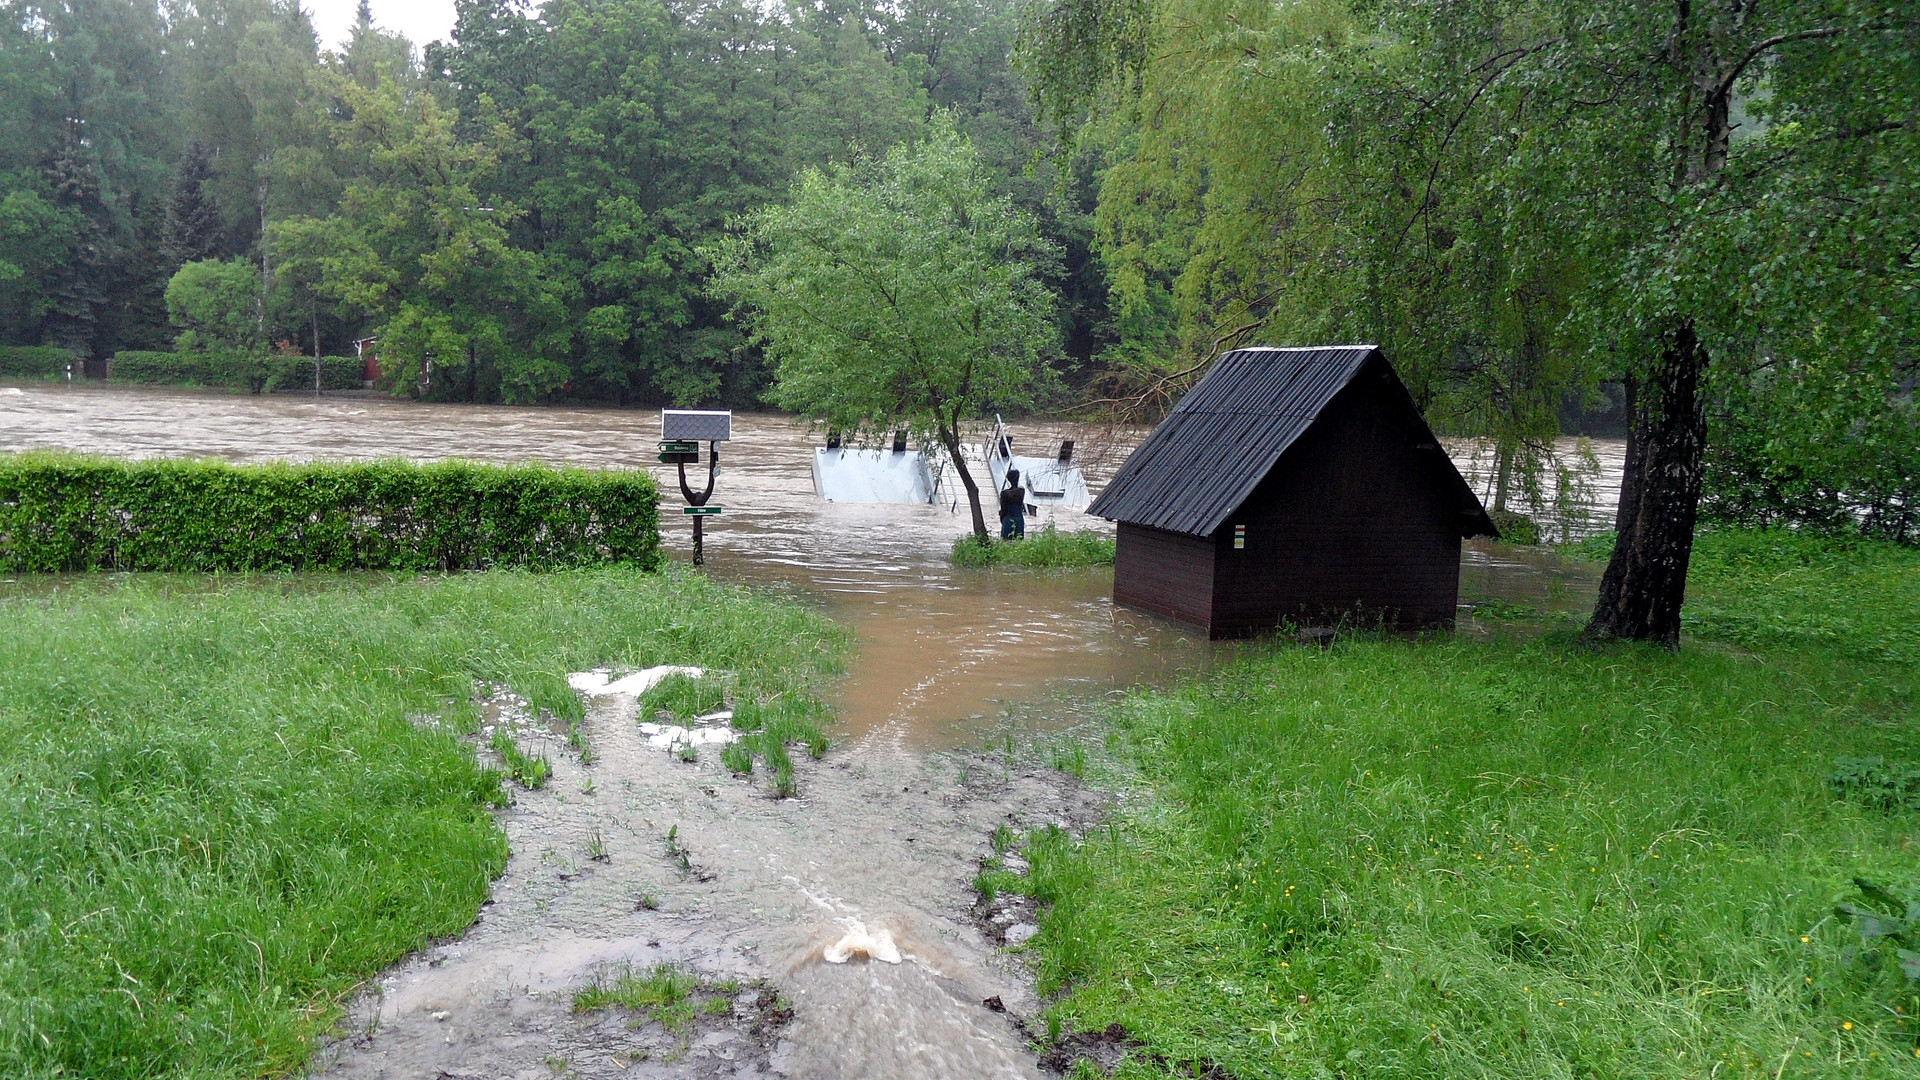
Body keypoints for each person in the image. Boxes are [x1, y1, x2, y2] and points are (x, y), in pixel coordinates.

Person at [998, 468, 1026, 540]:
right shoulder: (1022, 491)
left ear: (1008, 479)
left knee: (1006, 541)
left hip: (1008, 519)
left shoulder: (1005, 493)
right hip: (1019, 520)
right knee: (1018, 541)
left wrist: (1002, 518)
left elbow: (1003, 509)